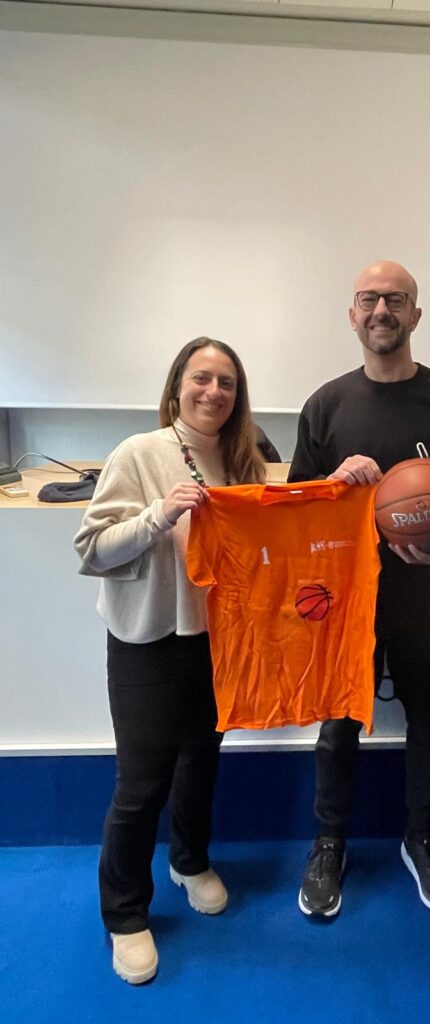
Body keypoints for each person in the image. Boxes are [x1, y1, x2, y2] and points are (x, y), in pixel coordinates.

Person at [289, 260, 430, 917]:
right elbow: (299, 512)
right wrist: (333, 486)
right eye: (370, 299)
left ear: (416, 315)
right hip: (349, 599)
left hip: (427, 594)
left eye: (397, 299)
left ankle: (422, 839)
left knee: (428, 724)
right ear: (353, 315)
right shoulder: (325, 405)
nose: (382, 310)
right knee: (338, 727)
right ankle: (329, 843)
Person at [74, 337, 271, 985]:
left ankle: (189, 861)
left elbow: (283, 522)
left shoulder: (245, 460)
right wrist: (159, 515)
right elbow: (92, 548)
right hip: (147, 641)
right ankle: (125, 913)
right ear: (177, 386)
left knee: (201, 759)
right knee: (141, 785)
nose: (214, 392)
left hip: (215, 641)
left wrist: (347, 481)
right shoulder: (139, 452)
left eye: (227, 383)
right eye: (202, 378)